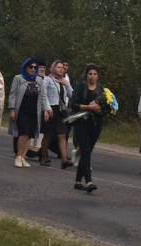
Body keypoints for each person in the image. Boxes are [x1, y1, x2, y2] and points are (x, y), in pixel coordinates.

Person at [8, 58, 51, 168]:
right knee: (23, 133)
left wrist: (45, 110)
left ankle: (23, 157)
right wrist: (12, 109)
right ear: (25, 67)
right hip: (22, 110)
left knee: (30, 135)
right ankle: (18, 156)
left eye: (35, 67)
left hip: (34, 111)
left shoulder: (39, 80)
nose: (33, 69)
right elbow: (12, 94)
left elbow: (43, 96)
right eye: (30, 67)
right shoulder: (18, 78)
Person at [69, 64, 106, 192]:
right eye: (90, 74)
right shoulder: (80, 87)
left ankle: (78, 181)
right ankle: (89, 181)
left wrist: (101, 110)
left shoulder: (102, 90)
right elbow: (73, 104)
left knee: (87, 152)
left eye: (95, 74)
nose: (92, 76)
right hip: (81, 123)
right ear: (86, 75)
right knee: (85, 151)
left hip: (95, 124)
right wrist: (89, 107)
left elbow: (107, 108)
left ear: (98, 76)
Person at [40, 59, 73, 169]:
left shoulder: (64, 81)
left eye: (63, 68)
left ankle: (64, 160)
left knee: (62, 134)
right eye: (59, 67)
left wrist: (67, 84)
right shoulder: (48, 80)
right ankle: (44, 157)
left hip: (61, 110)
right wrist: (47, 109)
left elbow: (72, 95)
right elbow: (43, 95)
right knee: (48, 134)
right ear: (54, 68)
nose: (61, 69)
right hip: (51, 108)